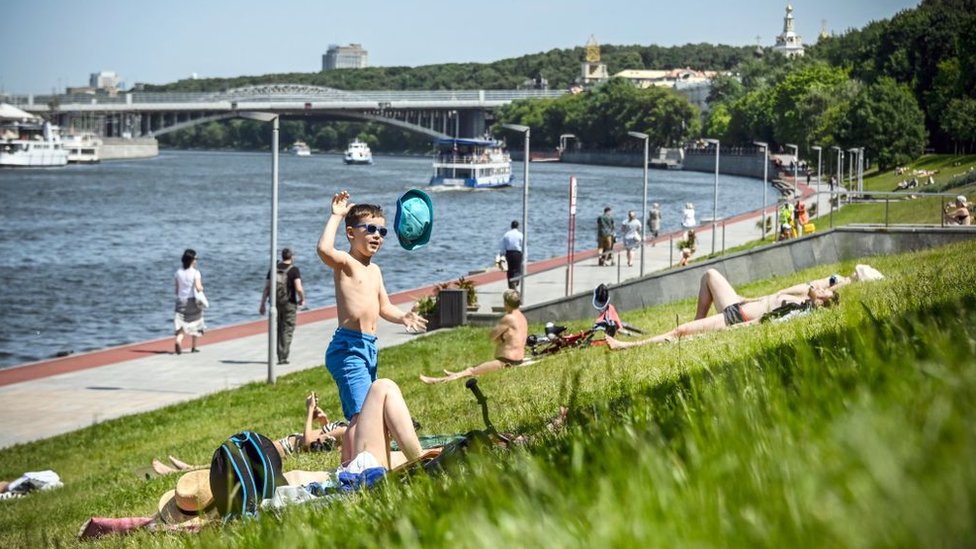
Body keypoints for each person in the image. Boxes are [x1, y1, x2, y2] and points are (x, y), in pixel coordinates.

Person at [317, 191, 428, 465]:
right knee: (359, 414)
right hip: (348, 347)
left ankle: (348, 463)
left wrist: (403, 317)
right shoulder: (346, 262)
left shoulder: (375, 271)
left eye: (382, 231)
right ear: (351, 233)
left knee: (363, 412)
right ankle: (354, 468)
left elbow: (384, 306)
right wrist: (336, 216)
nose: (377, 235)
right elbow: (323, 250)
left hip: (368, 348)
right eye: (370, 229)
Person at [606, 277, 838, 350]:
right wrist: (813, 289)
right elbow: (786, 289)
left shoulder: (799, 310)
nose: (821, 289)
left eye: (824, 292)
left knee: (681, 331)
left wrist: (720, 333)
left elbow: (761, 322)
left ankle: (625, 346)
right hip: (738, 304)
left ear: (821, 304)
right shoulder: (802, 298)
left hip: (735, 318)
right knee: (710, 275)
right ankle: (699, 321)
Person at [151, 391, 349, 476]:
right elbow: (325, 440)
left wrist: (308, 410)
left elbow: (307, 442)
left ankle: (183, 471)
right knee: (233, 459)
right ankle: (189, 468)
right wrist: (323, 420)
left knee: (232, 462)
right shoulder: (347, 429)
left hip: (283, 449)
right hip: (281, 446)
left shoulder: (347, 429)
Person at [419, 289, 528, 384]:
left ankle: (436, 381)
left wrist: (500, 339)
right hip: (517, 360)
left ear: (506, 303)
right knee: (475, 367)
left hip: (506, 362)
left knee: (471, 371)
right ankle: (455, 374)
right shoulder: (522, 317)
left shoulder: (509, 318)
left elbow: (492, 336)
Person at [260, 248, 305, 365]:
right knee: (288, 329)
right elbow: (298, 288)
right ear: (292, 257)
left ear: (282, 256)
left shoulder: (273, 270)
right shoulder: (294, 270)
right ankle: (283, 357)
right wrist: (302, 299)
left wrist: (262, 304)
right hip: (289, 303)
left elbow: (266, 288)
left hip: (275, 303)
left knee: (279, 329)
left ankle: (279, 354)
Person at [173, 249, 205, 355]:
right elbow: (198, 287)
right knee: (196, 322)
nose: (196, 261)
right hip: (192, 301)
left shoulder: (178, 272)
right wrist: (202, 288)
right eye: (195, 259)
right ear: (191, 260)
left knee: (182, 323)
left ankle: (178, 340)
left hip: (180, 301)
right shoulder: (196, 273)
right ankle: (194, 347)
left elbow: (177, 290)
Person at [499, 220, 523, 290]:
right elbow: (523, 246)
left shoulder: (506, 234)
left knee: (510, 270)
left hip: (509, 254)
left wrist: (502, 255)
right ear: (518, 226)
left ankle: (510, 285)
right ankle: (515, 282)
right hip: (517, 253)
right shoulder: (520, 235)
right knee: (517, 269)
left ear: (511, 226)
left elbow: (503, 246)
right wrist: (525, 255)